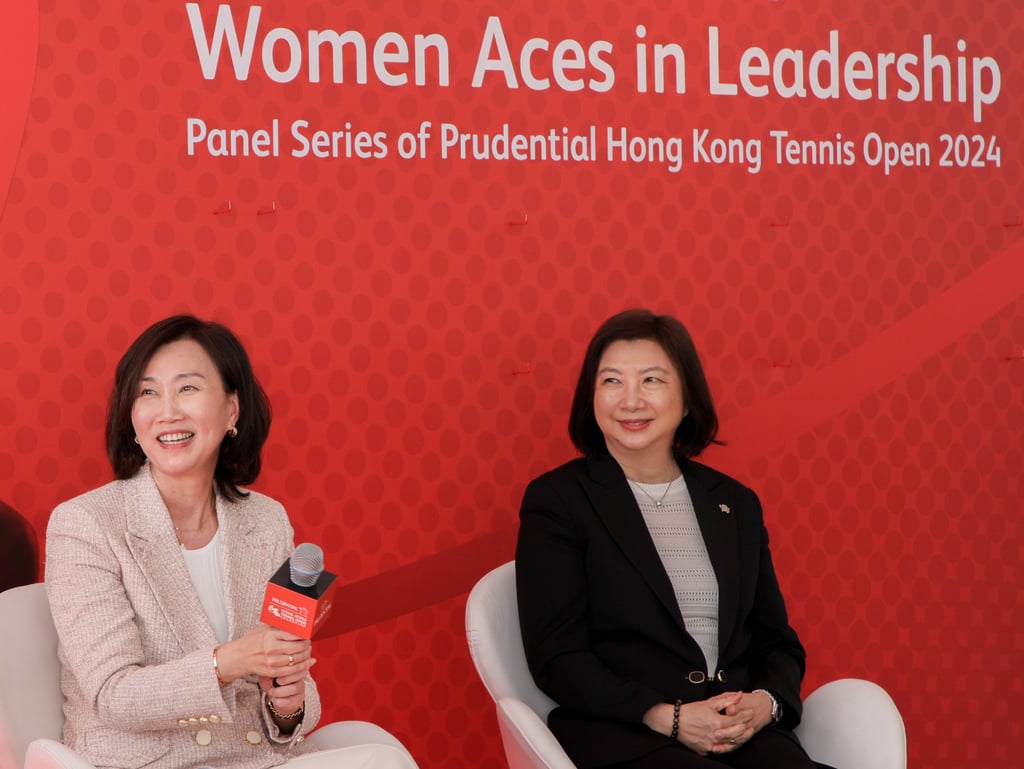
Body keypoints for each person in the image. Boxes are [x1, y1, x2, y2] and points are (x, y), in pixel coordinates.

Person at [45, 315, 416, 769]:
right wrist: (231, 661)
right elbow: (115, 695)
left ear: (232, 410)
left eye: (187, 388)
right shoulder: (85, 525)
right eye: (147, 392)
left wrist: (286, 701)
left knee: (384, 759)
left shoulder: (265, 520)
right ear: (132, 418)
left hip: (255, 758)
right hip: (147, 763)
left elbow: (292, 702)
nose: (167, 411)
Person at [515, 309, 830, 769]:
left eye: (651, 380)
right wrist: (668, 716)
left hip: (734, 731)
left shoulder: (735, 504)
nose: (630, 400)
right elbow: (557, 656)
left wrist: (765, 703)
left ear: (686, 399)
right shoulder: (558, 501)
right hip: (626, 731)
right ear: (591, 397)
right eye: (611, 381)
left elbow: (776, 641)